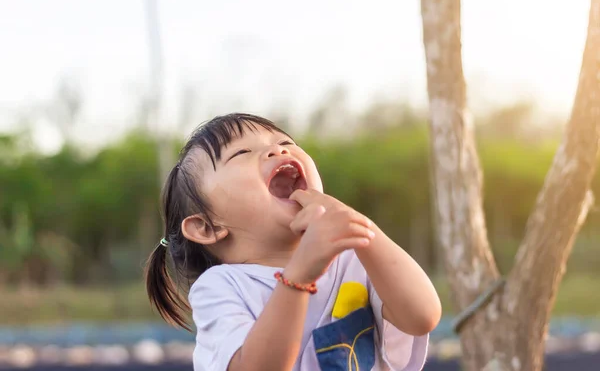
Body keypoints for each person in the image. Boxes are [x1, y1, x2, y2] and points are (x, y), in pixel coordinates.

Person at [145, 113, 441, 371]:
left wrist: (362, 230)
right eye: (242, 152)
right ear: (207, 227)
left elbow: (422, 316)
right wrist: (299, 275)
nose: (276, 150)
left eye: (285, 143)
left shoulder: (356, 258)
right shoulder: (221, 287)